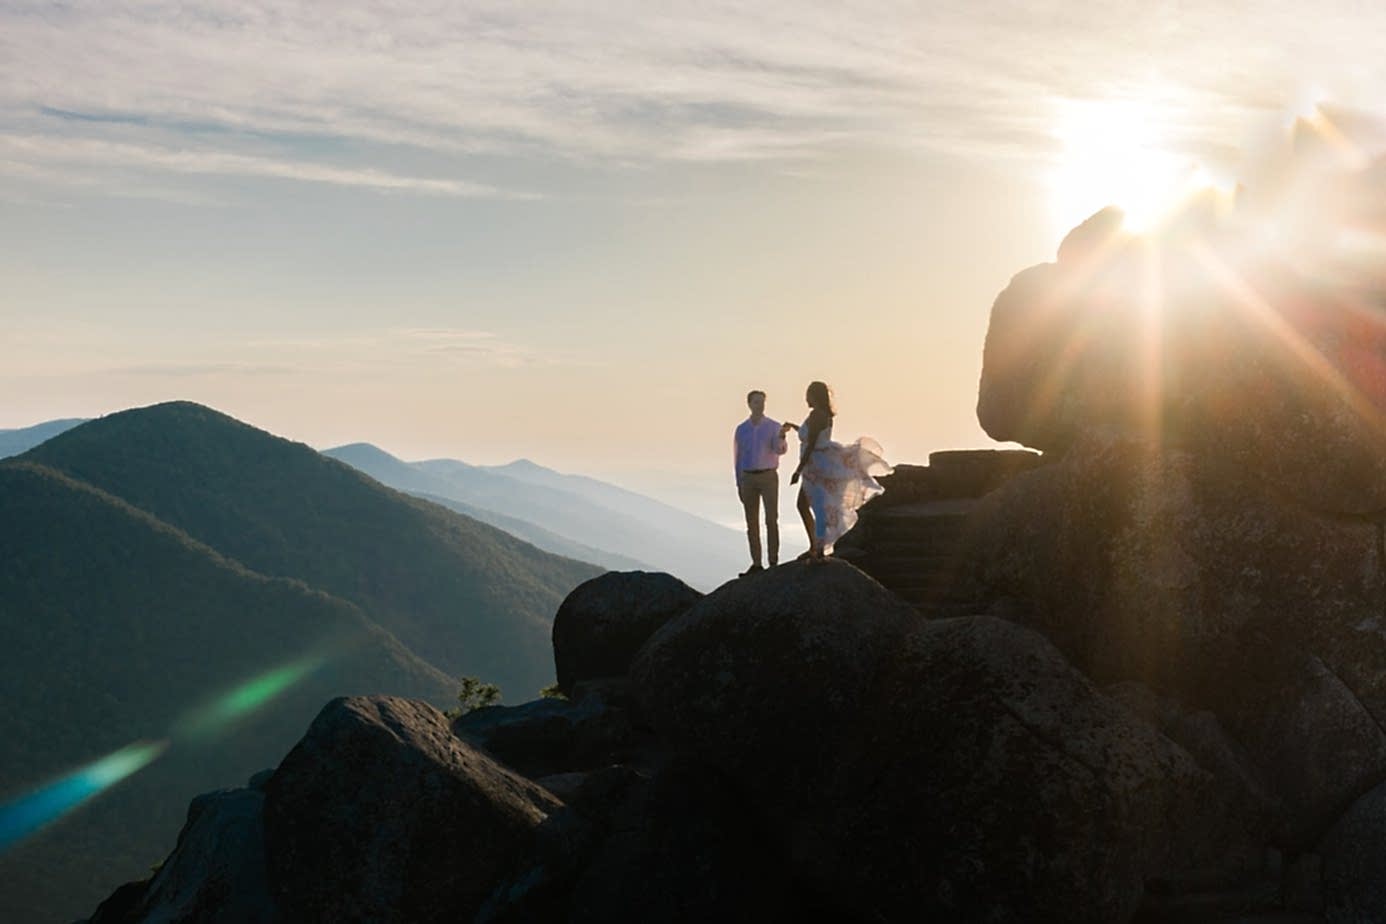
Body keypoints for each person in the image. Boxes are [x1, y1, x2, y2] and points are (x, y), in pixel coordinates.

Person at [790, 381, 892, 560]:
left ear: (814, 396)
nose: (806, 398)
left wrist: (798, 471)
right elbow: (813, 436)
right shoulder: (825, 415)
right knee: (814, 506)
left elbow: (811, 444)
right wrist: (794, 427)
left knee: (812, 507)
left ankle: (817, 547)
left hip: (814, 466)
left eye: (808, 394)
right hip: (822, 463)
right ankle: (816, 546)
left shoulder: (815, 415)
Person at [733, 389, 792, 575]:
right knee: (752, 522)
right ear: (749, 404)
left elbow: (779, 450)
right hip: (748, 476)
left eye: (763, 402)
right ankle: (756, 563)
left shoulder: (773, 426)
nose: (761, 405)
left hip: (768, 476)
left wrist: (782, 436)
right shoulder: (741, 429)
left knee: (771, 519)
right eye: (757, 402)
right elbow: (738, 458)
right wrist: (739, 483)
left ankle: (773, 561)